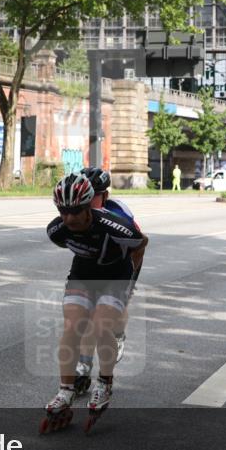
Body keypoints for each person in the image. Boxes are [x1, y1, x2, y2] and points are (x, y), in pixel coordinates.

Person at [43, 172, 149, 433]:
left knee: (101, 328)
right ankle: (65, 391)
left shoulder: (114, 224)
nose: (69, 218)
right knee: (72, 326)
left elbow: (141, 243)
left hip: (115, 276)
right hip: (83, 275)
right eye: (63, 211)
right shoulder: (56, 230)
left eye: (76, 211)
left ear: (89, 206)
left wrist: (130, 281)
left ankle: (104, 382)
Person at [75, 166, 141, 390]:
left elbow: (139, 245)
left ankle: (119, 334)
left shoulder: (119, 214)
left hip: (121, 264)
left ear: (105, 196)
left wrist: (130, 281)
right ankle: (82, 370)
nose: (87, 200)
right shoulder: (77, 211)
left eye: (92, 196)